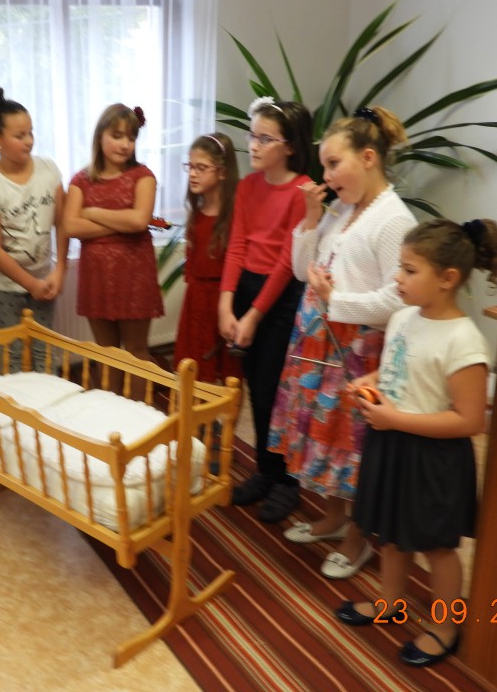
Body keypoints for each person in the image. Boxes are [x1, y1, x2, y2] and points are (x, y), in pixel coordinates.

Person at [336, 218, 497, 668]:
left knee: (437, 547)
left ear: (447, 279)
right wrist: (371, 382)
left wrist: (394, 418)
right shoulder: (402, 318)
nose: (397, 278)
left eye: (409, 270)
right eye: (400, 267)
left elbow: (470, 420)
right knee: (392, 534)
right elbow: (397, 367)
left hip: (433, 457)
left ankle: (446, 626)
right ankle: (391, 603)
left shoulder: (464, 342)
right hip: (392, 444)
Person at [268, 106, 417, 578]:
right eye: (325, 166)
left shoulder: (393, 220)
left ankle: (358, 538)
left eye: (334, 164)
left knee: (352, 448)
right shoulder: (344, 209)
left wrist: (337, 301)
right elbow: (301, 270)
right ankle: (333, 518)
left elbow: (399, 299)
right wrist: (312, 218)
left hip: (355, 349)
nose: (327, 176)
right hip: (318, 342)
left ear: (368, 157)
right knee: (323, 439)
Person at [222, 97, 312, 523]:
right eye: (251, 136)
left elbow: (285, 262)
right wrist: (226, 304)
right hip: (246, 289)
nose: (253, 145)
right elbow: (237, 245)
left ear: (289, 146)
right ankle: (265, 469)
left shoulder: (302, 191)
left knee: (278, 391)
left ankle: (287, 481)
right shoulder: (247, 186)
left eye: (264, 138)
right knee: (256, 387)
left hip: (280, 297)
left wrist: (254, 316)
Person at [63, 103, 163, 394]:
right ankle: (111, 412)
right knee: (106, 353)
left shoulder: (143, 176)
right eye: (117, 136)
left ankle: (140, 414)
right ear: (100, 136)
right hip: (97, 276)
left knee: (136, 351)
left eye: (130, 137)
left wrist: (92, 213)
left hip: (134, 274)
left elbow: (140, 220)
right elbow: (71, 226)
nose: (125, 144)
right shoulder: (80, 180)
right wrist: (124, 222)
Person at [0, 88, 67, 371]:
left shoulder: (49, 170)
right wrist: (30, 284)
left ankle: (48, 401)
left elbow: (62, 222)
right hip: (4, 286)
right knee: (12, 355)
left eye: (31, 133)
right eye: (20, 135)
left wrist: (60, 269)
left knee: (44, 352)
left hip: (44, 278)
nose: (29, 141)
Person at [174, 132, 243, 385]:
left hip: (223, 300)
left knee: (228, 373)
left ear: (222, 172)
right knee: (195, 369)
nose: (192, 174)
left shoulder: (236, 215)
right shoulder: (197, 211)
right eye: (190, 166)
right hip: (197, 301)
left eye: (201, 168)